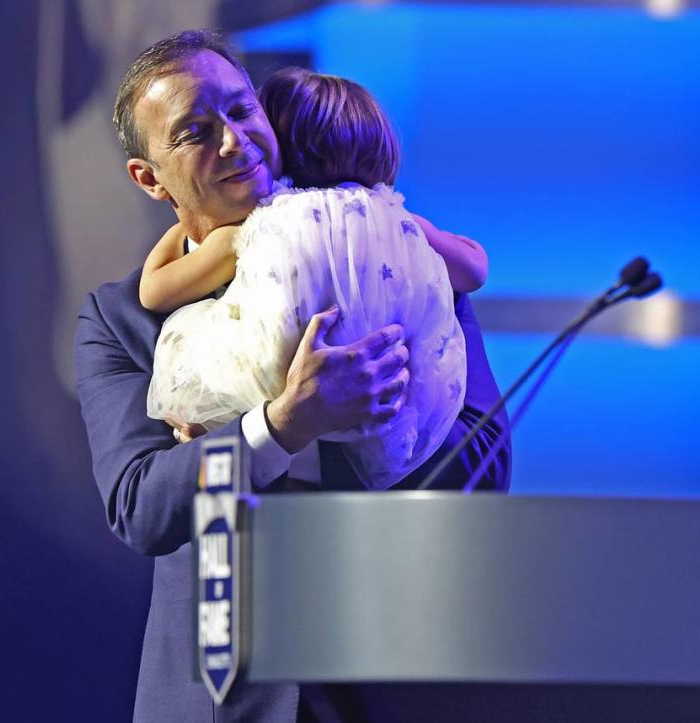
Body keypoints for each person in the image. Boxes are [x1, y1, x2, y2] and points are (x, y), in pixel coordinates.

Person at [74, 29, 510, 722]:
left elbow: (484, 466)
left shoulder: (388, 262)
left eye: (241, 110)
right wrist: (279, 427)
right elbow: (141, 504)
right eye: (194, 130)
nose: (233, 140)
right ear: (149, 178)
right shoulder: (119, 320)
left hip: (391, 680)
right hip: (217, 699)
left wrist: (367, 420)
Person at [142, 67, 488, 490]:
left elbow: (155, 291)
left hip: (268, 397)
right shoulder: (397, 221)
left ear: (279, 147)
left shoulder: (262, 224)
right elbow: (474, 268)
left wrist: (180, 230)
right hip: (397, 420)